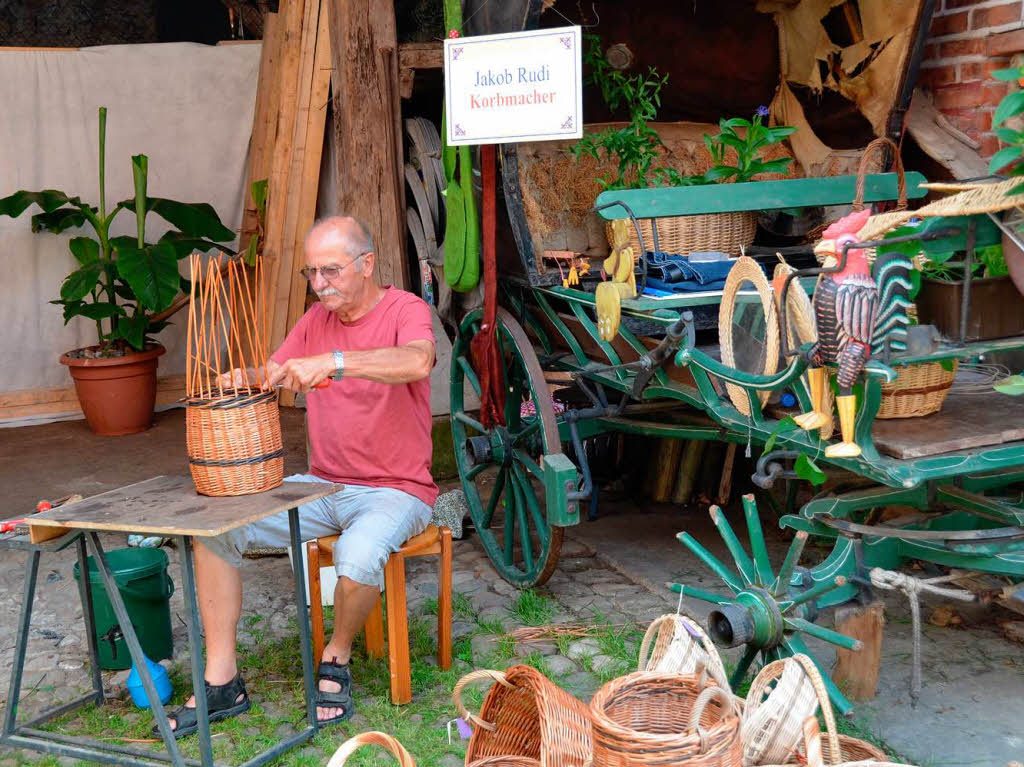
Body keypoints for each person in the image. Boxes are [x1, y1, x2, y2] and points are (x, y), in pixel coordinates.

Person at [158, 216, 437, 736]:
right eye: (312, 272)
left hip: (396, 490)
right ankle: (223, 682)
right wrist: (251, 377)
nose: (320, 283)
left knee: (358, 554)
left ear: (367, 263)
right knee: (217, 532)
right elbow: (281, 370)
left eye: (331, 270)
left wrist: (336, 362)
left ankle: (337, 657)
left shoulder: (406, 310)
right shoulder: (315, 319)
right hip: (323, 485)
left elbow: (417, 362)